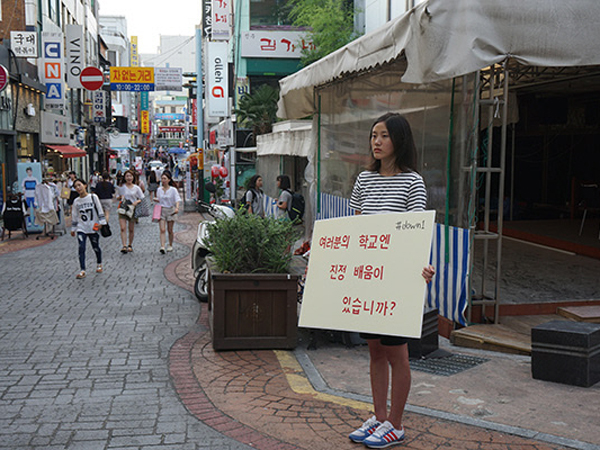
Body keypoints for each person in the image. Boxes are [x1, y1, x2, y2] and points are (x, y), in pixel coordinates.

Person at [347, 113, 435, 448]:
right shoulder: (363, 180)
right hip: (370, 277)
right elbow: (355, 229)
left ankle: (395, 425)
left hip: (397, 280)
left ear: (399, 139)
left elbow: (416, 235)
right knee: (374, 351)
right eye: (373, 136)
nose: (376, 142)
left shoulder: (412, 182)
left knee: (397, 353)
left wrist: (422, 266)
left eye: (383, 135)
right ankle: (379, 417)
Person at [71, 178, 106, 279]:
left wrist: (101, 223)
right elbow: (74, 215)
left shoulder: (93, 197)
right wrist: (73, 229)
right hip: (81, 227)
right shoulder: (76, 201)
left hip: (93, 226)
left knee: (95, 246)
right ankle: (82, 270)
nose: (78, 188)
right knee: (81, 247)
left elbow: (99, 210)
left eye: (79, 185)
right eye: (75, 186)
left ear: (85, 185)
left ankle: (99, 263)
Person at [117, 169, 144, 253]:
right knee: (122, 228)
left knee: (131, 229)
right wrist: (119, 197)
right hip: (123, 208)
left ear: (133, 177)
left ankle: (130, 245)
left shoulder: (136, 188)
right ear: (124, 177)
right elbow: (117, 196)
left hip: (132, 209)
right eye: (127, 176)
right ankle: (124, 245)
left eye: (130, 176)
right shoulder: (122, 187)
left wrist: (136, 202)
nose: (129, 178)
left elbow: (142, 198)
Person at [154, 170, 181, 254]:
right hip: (161, 210)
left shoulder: (173, 190)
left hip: (171, 210)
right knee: (162, 229)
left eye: (165, 178)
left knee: (170, 230)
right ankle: (162, 246)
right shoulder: (159, 190)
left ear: (169, 180)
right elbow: (159, 199)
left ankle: (170, 244)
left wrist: (177, 208)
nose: (163, 180)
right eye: (162, 178)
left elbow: (177, 199)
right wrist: (155, 200)